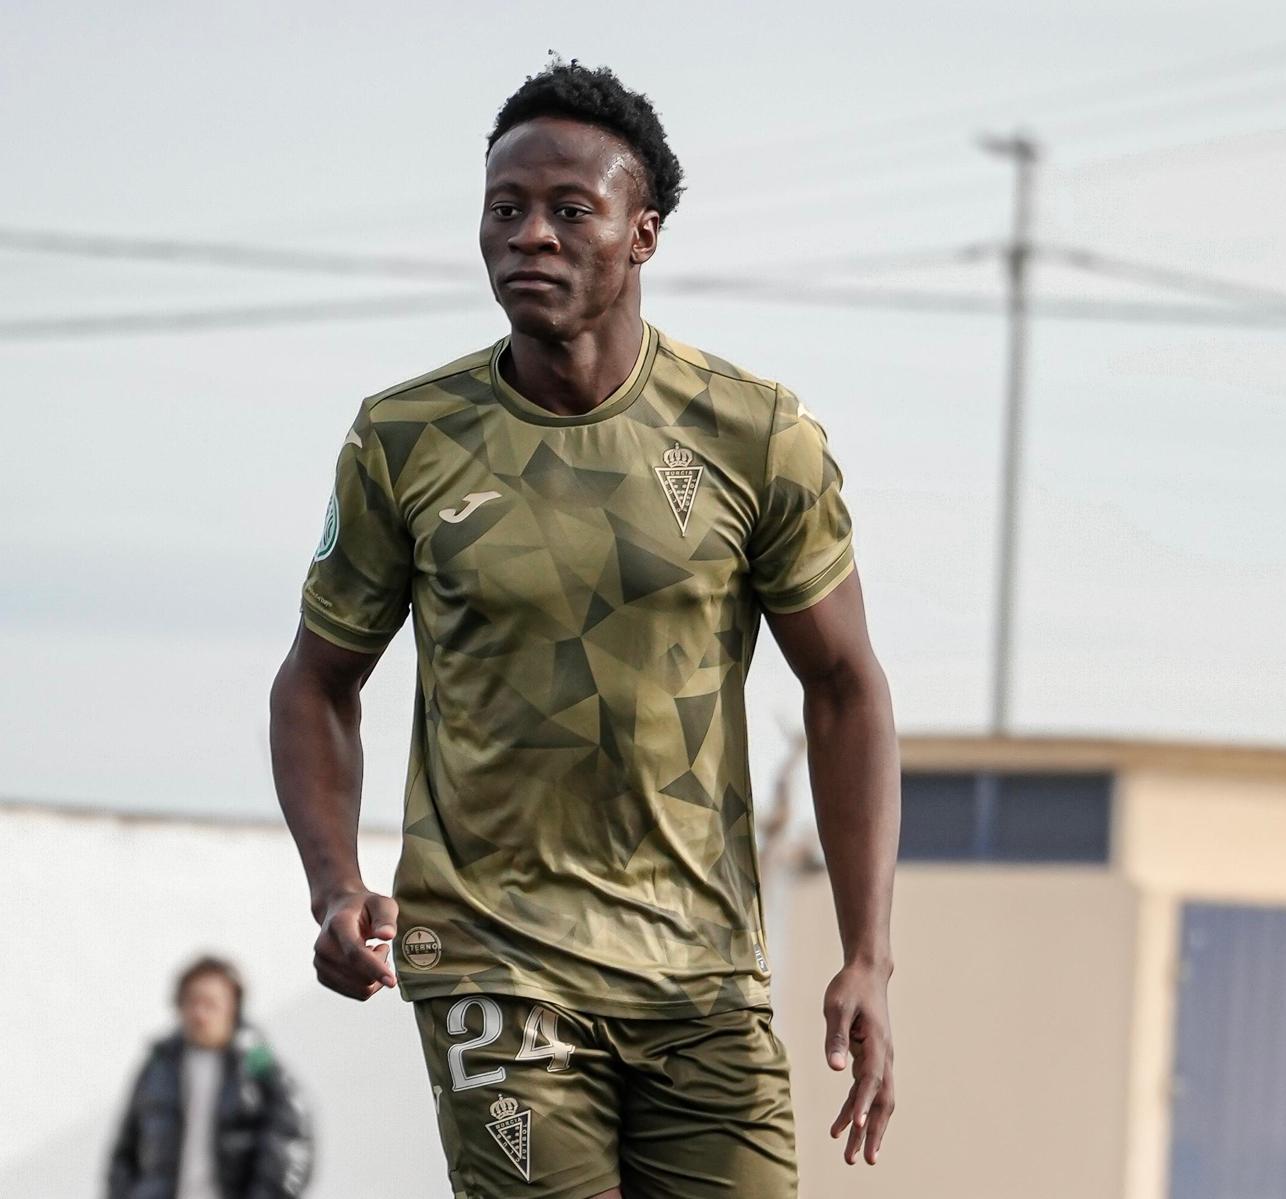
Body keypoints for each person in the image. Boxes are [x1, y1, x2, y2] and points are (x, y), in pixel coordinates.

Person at [269, 59, 900, 1199]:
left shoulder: (755, 435)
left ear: (642, 234)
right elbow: (317, 681)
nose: (531, 236)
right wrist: (334, 884)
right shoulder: (403, 439)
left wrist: (868, 952)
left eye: (570, 210)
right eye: (505, 209)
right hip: (490, 963)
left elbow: (846, 687)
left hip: (700, 974)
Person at [108, 956, 313, 1199]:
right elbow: (125, 1152)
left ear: (233, 1007)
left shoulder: (257, 1066)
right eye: (192, 1002)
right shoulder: (158, 1067)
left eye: (211, 1003)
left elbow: (291, 1143)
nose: (200, 1014)